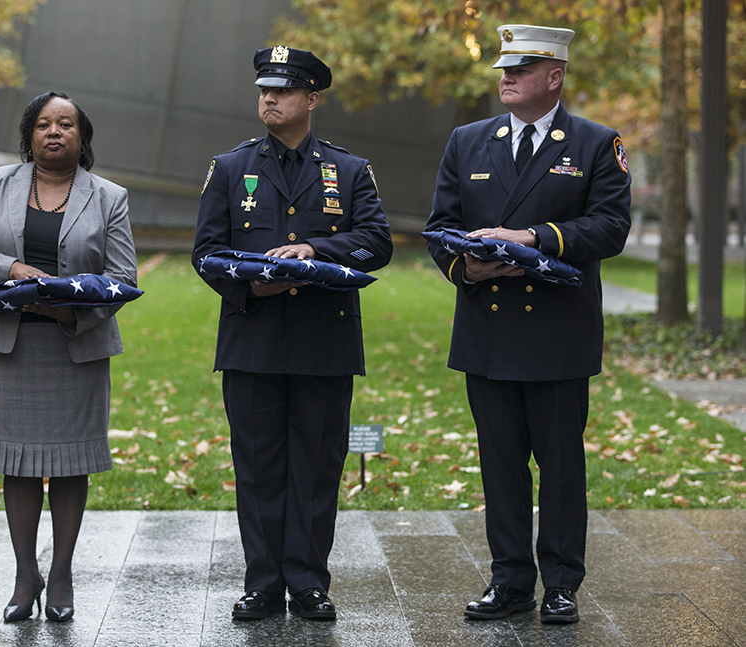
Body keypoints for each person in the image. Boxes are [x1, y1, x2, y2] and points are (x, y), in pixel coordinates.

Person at [424, 25, 631, 624]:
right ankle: (510, 581)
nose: (505, 78)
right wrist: (468, 267)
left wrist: (533, 239)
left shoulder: (594, 143)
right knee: (501, 466)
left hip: (557, 336)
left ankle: (562, 583)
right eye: (503, 69)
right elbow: (441, 226)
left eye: (519, 69)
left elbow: (610, 228)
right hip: (488, 332)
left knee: (561, 468)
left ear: (555, 77)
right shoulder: (467, 141)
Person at [193, 46, 392, 621]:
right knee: (257, 467)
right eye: (264, 90)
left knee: (316, 467)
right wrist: (249, 288)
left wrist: (315, 249)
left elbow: (377, 242)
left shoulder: (348, 170)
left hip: (323, 342)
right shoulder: (230, 168)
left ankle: (308, 582)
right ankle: (262, 583)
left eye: (283, 90)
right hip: (252, 339)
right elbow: (205, 253)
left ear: (312, 99)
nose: (270, 99)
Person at [0, 92, 137, 624]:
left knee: (72, 464)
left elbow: (124, 280)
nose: (55, 132)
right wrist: (12, 271)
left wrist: (68, 310)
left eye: (67, 124)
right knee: (20, 464)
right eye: (44, 124)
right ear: (30, 134)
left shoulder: (109, 197)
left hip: (75, 345)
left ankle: (62, 573)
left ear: (83, 137)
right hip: (9, 348)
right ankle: (24, 573)